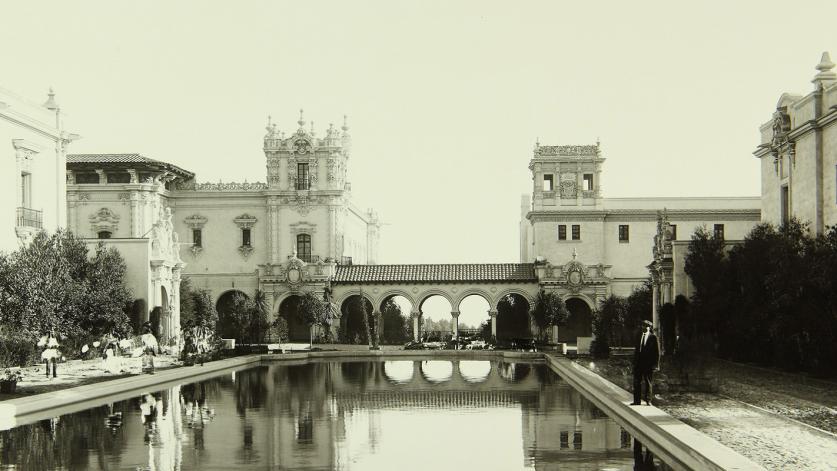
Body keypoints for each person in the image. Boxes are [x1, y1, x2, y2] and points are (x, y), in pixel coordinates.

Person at [631, 319, 660, 406]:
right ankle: (637, 401)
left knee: (648, 382)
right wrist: (634, 363)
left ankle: (648, 401)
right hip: (639, 363)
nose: (643, 327)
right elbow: (636, 350)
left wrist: (656, 365)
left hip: (648, 364)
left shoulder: (653, 337)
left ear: (649, 327)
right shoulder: (639, 336)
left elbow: (657, 352)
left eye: (646, 326)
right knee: (637, 382)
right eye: (642, 326)